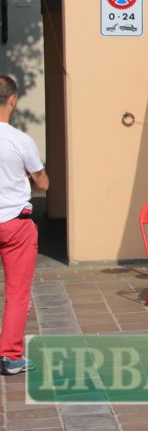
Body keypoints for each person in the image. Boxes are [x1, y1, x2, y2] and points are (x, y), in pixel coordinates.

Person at [0, 76, 47, 375]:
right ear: (13, 100)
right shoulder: (20, 141)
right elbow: (43, 182)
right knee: (17, 293)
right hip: (15, 224)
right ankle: (9, 356)